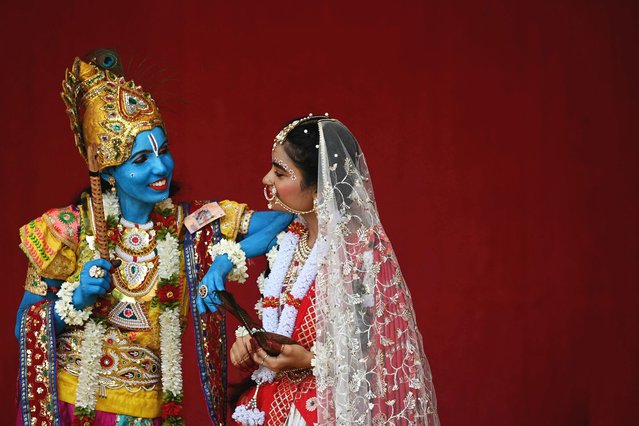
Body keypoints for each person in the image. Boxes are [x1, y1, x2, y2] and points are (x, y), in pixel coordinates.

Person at [15, 50, 291, 425]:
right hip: (71, 409)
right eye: (141, 160)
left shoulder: (190, 223)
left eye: (163, 151)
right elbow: (23, 328)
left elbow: (284, 220)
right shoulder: (67, 229)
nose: (161, 167)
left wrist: (227, 258)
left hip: (146, 415)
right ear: (110, 171)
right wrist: (77, 298)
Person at [229, 115, 440, 425]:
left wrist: (311, 360)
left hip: (330, 411)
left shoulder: (358, 253)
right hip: (271, 407)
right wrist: (252, 347)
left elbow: (382, 353)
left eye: (279, 173)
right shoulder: (286, 243)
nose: (266, 180)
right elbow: (282, 326)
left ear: (319, 187)